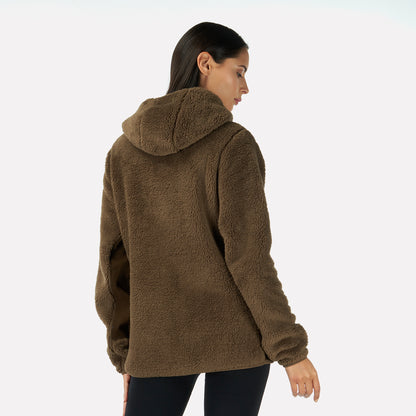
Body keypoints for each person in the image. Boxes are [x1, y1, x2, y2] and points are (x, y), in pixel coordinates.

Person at [94, 21, 320, 416]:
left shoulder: (123, 152)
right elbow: (249, 257)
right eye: (240, 72)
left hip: (157, 342)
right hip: (238, 339)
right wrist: (291, 350)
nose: (245, 88)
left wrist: (125, 352)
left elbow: (113, 263)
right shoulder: (233, 144)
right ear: (205, 63)